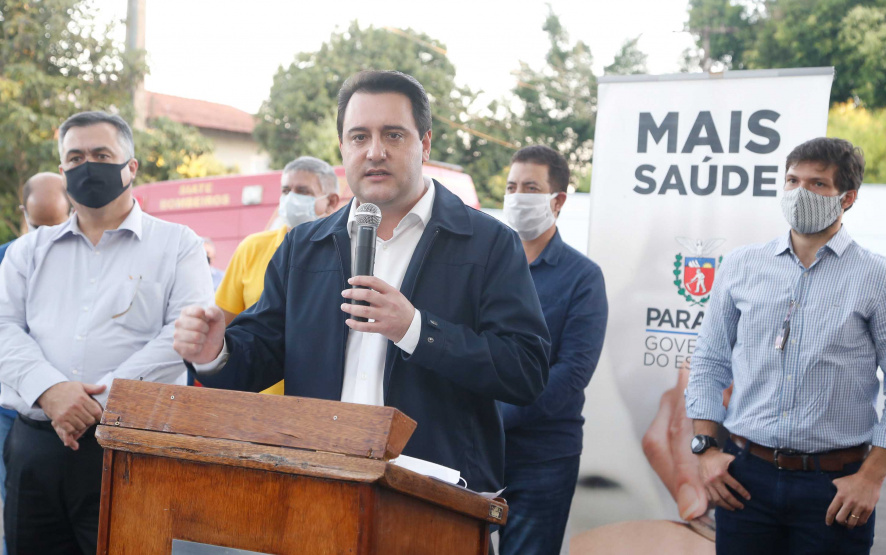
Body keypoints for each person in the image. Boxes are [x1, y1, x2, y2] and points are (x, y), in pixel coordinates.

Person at [174, 70, 550, 494]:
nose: (374, 152)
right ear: (341, 147)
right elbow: (261, 352)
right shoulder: (305, 245)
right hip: (317, 489)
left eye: (393, 135)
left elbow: (525, 371)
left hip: (435, 500)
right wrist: (215, 353)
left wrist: (416, 330)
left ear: (424, 144)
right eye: (358, 137)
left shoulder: (487, 243)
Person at [686, 137, 886, 555]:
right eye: (792, 180)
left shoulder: (881, 277)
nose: (799, 193)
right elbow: (709, 360)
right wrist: (705, 449)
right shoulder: (741, 265)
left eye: (817, 184)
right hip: (745, 478)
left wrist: (871, 477)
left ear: (848, 198)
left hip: (834, 486)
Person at [0, 111, 213, 555]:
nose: (88, 165)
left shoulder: (178, 245)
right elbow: (4, 328)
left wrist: (93, 401)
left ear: (130, 166)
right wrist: (51, 391)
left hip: (129, 447)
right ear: (62, 171)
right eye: (75, 157)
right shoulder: (27, 252)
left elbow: (181, 334)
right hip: (35, 448)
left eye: (102, 154)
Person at [496, 145, 608, 555]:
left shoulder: (583, 278)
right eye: (511, 187)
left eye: (530, 187)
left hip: (542, 458)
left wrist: (497, 414)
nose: (517, 196)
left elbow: (572, 372)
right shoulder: (488, 265)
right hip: (479, 451)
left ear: (557, 200)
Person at [0, 172, 71, 554]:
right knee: (21, 511)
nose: (43, 236)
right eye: (36, 225)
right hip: (15, 413)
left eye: (54, 225)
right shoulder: (5, 258)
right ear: (22, 213)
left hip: (77, 407)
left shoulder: (86, 262)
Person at [216, 157, 340, 327]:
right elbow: (221, 326)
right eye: (286, 190)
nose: (291, 198)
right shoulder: (252, 248)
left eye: (303, 191)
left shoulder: (342, 251)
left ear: (331, 202)